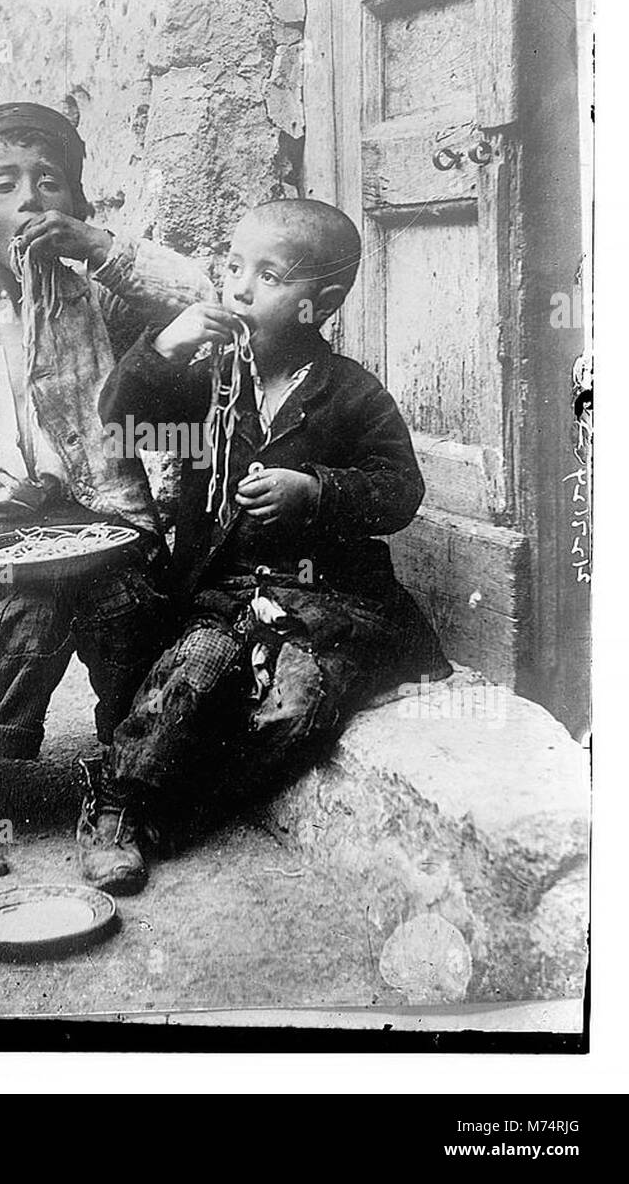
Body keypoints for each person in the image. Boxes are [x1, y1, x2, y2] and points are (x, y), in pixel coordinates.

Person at [0, 101, 212, 888]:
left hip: (102, 531)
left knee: (126, 613)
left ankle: (117, 788)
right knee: (30, 606)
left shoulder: (102, 308)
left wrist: (101, 251)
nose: (30, 199)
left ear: (78, 208)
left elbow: (198, 293)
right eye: (5, 184)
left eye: (50, 184)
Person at [97, 199, 451, 886]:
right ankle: (117, 803)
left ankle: (190, 804)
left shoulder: (351, 394)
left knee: (297, 708)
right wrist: (161, 349)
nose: (238, 287)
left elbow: (398, 490)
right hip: (224, 591)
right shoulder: (208, 378)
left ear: (315, 305)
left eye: (267, 275)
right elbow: (118, 423)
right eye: (233, 267)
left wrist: (314, 491)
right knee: (188, 677)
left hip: (327, 603)